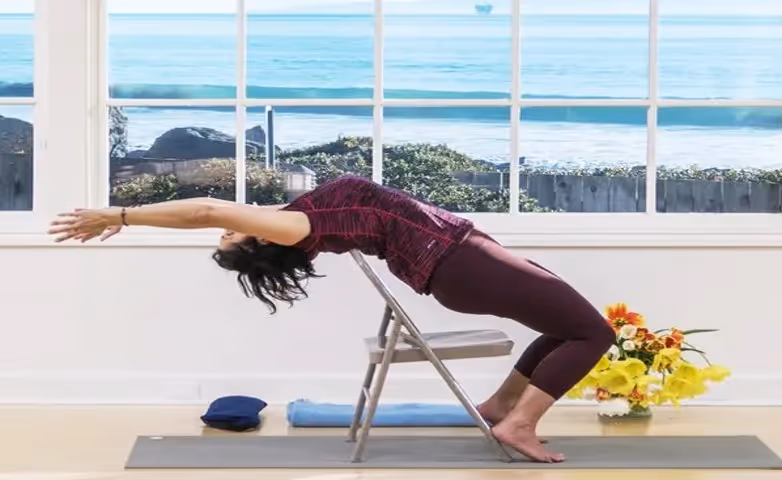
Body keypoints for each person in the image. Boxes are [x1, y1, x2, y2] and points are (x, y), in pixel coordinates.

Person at [48, 174, 615, 463]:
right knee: (595, 332)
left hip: (463, 260)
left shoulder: (297, 214)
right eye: (228, 236)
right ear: (260, 241)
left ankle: (499, 408)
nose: (225, 227)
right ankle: (519, 424)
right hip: (460, 264)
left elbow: (211, 209)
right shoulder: (297, 227)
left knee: (567, 328)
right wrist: (119, 214)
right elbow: (204, 210)